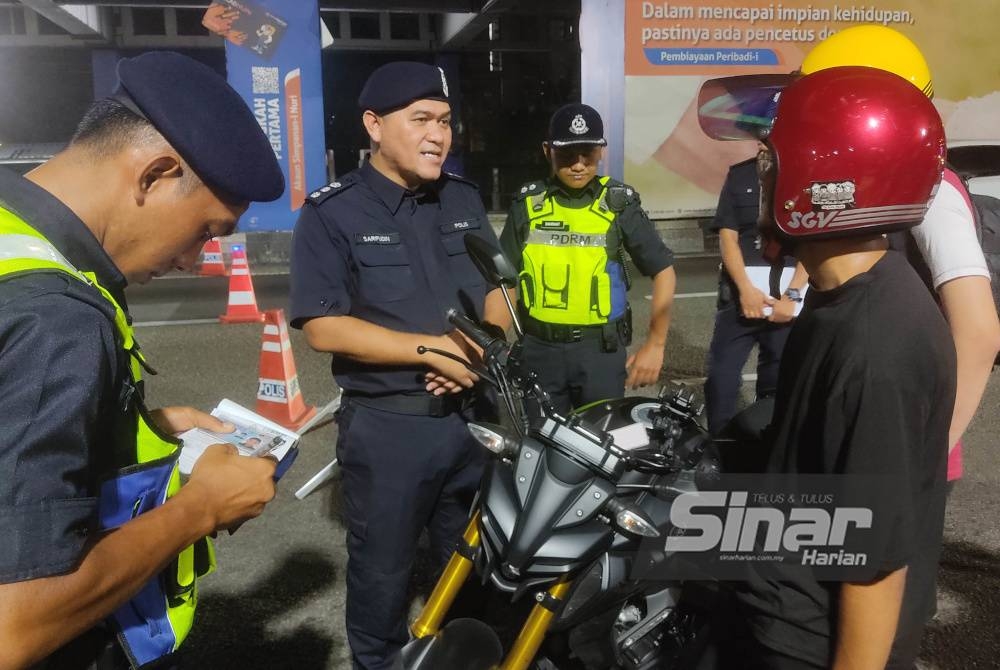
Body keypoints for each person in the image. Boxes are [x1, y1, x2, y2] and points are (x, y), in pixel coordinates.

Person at [0, 52, 283, 669]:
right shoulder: (57, 316)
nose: (192, 260)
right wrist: (200, 508)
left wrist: (129, 430)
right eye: (207, 230)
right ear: (154, 174)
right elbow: (12, 627)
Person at [289, 61, 511, 670]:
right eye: (421, 120)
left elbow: (502, 294)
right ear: (374, 126)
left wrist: (477, 346)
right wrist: (429, 349)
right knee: (382, 572)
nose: (439, 134)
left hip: (473, 417)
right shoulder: (332, 213)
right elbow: (322, 324)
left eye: (444, 120)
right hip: (391, 429)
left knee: (470, 563)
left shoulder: (463, 199)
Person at [734, 66, 955, 669]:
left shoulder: (878, 343)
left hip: (808, 643)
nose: (764, 179)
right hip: (783, 606)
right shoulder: (839, 297)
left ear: (826, 183)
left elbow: (874, 561)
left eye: (771, 164)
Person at [798, 24, 1000, 482]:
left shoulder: (930, 189)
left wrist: (930, 451)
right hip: (863, 419)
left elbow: (980, 331)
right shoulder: (872, 187)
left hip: (903, 443)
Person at [499, 103, 677, 414]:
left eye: (588, 153)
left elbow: (663, 271)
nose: (579, 165)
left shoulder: (618, 203)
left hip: (599, 353)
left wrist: (656, 346)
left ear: (601, 152)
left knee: (601, 446)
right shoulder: (527, 205)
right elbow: (503, 281)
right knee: (541, 447)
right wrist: (495, 341)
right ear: (547, 151)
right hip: (539, 351)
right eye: (568, 154)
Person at [704, 152, 808, 435]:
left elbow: (814, 242)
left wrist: (793, 297)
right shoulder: (740, 175)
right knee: (720, 378)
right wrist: (746, 290)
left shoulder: (807, 173)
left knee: (779, 383)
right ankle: (720, 447)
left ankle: (771, 444)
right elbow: (728, 237)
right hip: (741, 297)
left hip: (788, 301)